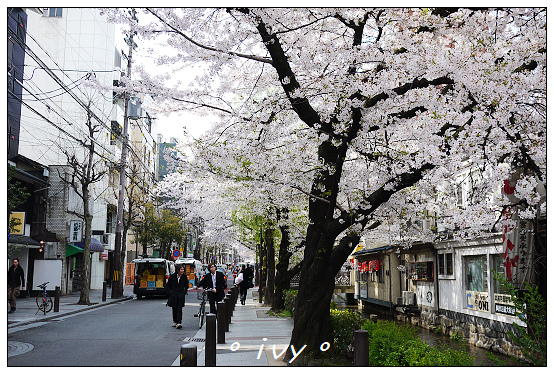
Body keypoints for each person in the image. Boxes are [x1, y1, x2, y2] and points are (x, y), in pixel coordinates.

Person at [165, 264, 188, 329]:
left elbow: (186, 285)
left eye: (183, 269)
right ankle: (174, 321)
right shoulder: (172, 276)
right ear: (177, 270)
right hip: (173, 294)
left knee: (179, 308)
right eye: (181, 269)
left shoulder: (184, 277)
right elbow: (168, 285)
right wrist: (169, 293)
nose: (182, 270)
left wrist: (184, 292)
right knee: (174, 308)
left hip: (180, 295)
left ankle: (179, 322)